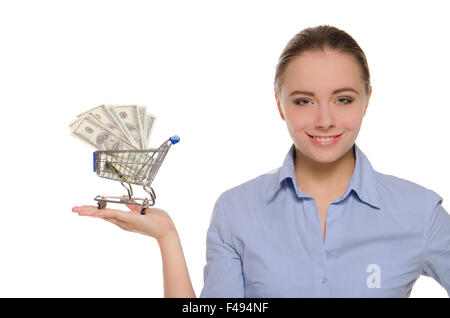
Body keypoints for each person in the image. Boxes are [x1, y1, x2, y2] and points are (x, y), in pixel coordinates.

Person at [72, 25, 450, 298]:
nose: (324, 120)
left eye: (343, 99)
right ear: (279, 104)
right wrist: (167, 238)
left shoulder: (420, 213)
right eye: (303, 100)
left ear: (367, 99)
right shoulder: (236, 211)